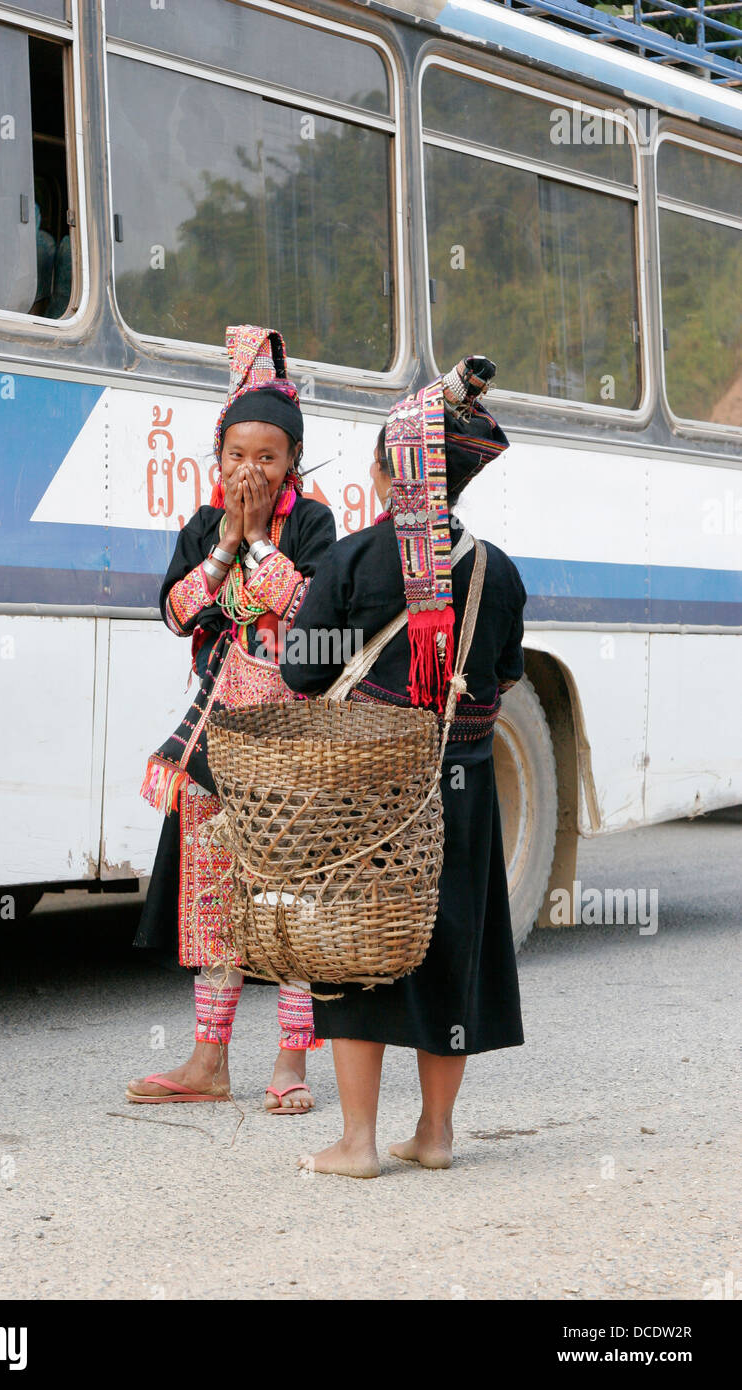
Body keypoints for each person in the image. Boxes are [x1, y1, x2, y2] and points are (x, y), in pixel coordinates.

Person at [279, 358, 527, 1174]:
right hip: (464, 789)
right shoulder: (500, 571)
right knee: (449, 942)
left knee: (353, 945)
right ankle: (435, 1134)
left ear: (392, 472)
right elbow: (505, 675)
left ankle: (355, 1142)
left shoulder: (353, 561)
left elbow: (303, 673)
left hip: (366, 796)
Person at [128, 326, 336, 1113]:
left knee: (285, 900)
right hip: (213, 745)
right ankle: (208, 1062)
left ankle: (291, 1066)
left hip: (290, 747)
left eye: (267, 457)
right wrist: (221, 550)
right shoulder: (198, 529)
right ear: (218, 458)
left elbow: (312, 612)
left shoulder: (313, 527)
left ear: (292, 463)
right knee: (214, 900)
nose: (248, 470)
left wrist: (254, 543)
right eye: (235, 456)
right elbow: (180, 615)